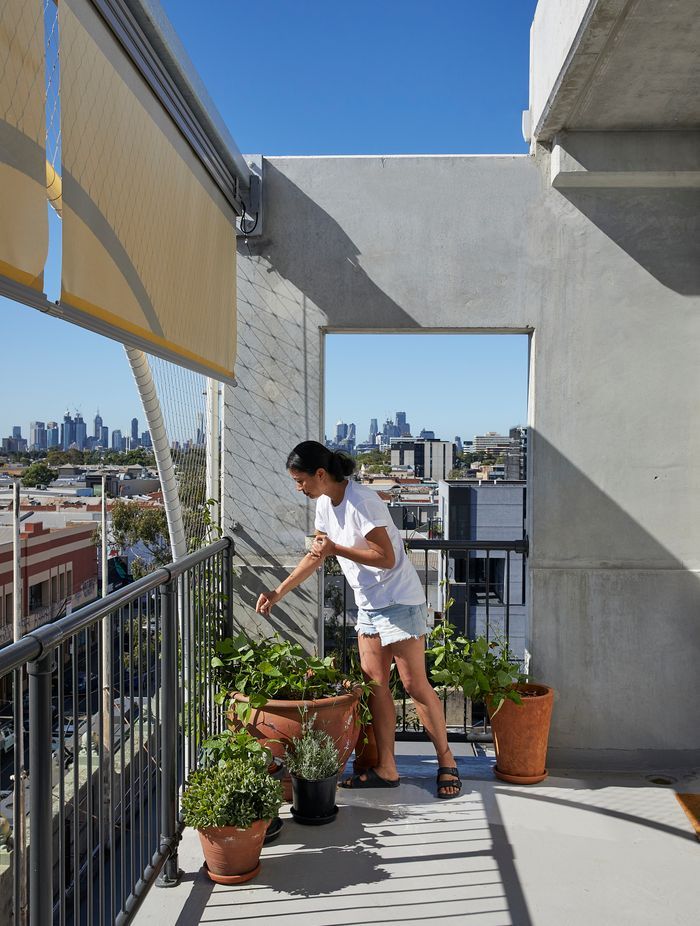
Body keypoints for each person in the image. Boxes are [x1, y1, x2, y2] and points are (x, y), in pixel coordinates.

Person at [255, 440, 462, 799]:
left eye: (301, 480)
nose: (298, 488)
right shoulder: (324, 504)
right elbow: (317, 555)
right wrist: (278, 592)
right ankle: (387, 768)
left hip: (399, 600)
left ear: (321, 474)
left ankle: (447, 760)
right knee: (375, 687)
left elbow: (386, 557)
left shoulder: (363, 501)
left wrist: (336, 548)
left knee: (414, 685)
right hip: (369, 606)